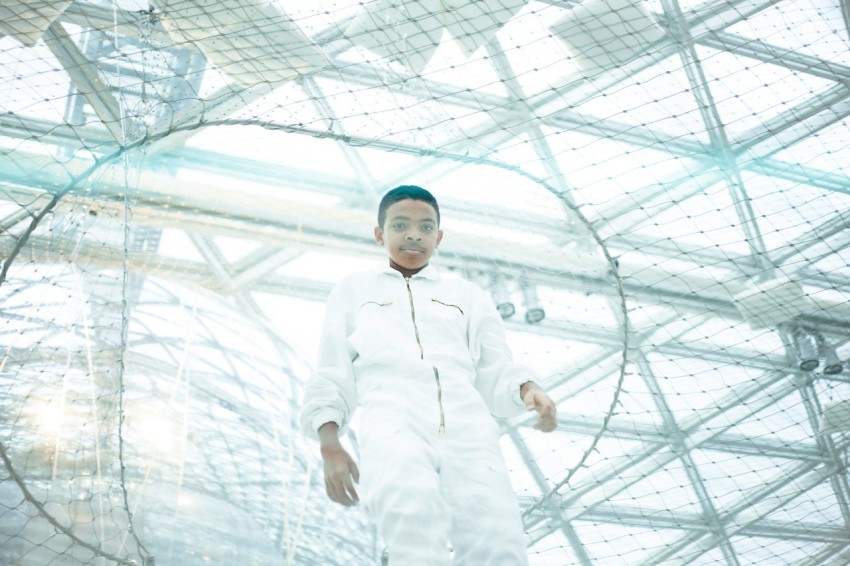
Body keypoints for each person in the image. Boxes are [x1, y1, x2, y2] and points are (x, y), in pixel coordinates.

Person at [300, 185, 558, 565]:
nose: (413, 235)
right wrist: (329, 442)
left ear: (438, 237)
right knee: (414, 528)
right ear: (379, 233)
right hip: (393, 425)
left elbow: (494, 366)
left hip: (469, 432)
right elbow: (332, 373)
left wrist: (527, 388)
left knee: (499, 545)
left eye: (425, 227)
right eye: (400, 225)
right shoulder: (354, 291)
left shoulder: (466, 295)